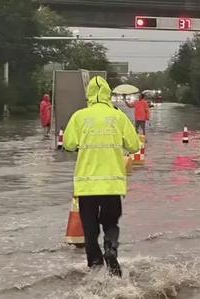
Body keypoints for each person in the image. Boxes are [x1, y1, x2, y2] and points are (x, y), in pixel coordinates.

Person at [62, 76, 141, 277]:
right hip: (112, 185)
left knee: (89, 230)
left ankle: (95, 271)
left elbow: (68, 145)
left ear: (88, 94)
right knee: (111, 223)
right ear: (108, 94)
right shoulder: (118, 116)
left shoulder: (79, 117)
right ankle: (111, 250)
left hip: (86, 185)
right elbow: (134, 146)